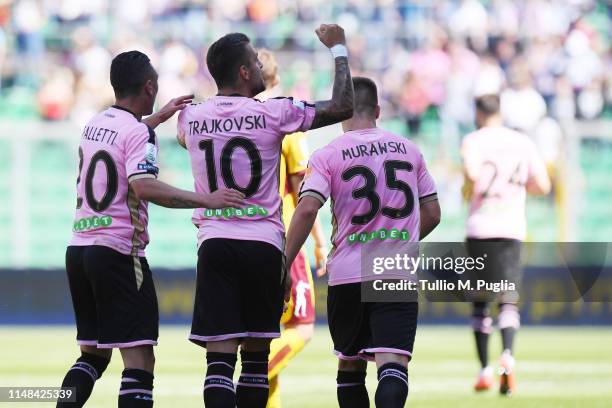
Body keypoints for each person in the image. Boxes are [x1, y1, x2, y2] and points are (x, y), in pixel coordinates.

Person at [177, 25, 353, 408]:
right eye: (255, 62)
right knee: (256, 362)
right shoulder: (276, 112)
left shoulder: (190, 118)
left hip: (215, 243)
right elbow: (343, 107)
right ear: (243, 73)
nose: (261, 68)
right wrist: (339, 49)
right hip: (263, 245)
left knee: (218, 363)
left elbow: (180, 136)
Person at [57, 50, 244, 408]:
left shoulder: (94, 123)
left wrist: (156, 118)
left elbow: (124, 139)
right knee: (140, 363)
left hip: (79, 248)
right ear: (149, 86)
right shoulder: (140, 134)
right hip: (118, 252)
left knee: (93, 356)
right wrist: (208, 199)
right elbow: (144, 187)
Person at [285, 77, 441, 408]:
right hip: (394, 268)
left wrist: (283, 261)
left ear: (342, 110)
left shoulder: (327, 154)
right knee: (393, 365)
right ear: (379, 110)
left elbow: (308, 207)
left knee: (350, 363)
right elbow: (433, 212)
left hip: (347, 271)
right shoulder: (409, 150)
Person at [461, 94, 551, 395]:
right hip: (511, 226)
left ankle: (484, 369)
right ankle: (508, 357)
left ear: (478, 113)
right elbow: (542, 185)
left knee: (481, 303)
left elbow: (472, 178)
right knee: (508, 299)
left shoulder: (473, 141)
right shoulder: (522, 142)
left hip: (480, 226)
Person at [256, 48, 328, 408]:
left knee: (267, 334)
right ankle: (250, 381)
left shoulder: (238, 115)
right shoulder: (286, 116)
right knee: (301, 328)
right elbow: (302, 187)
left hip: (246, 233)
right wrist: (317, 241)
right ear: (277, 77)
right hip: (285, 233)